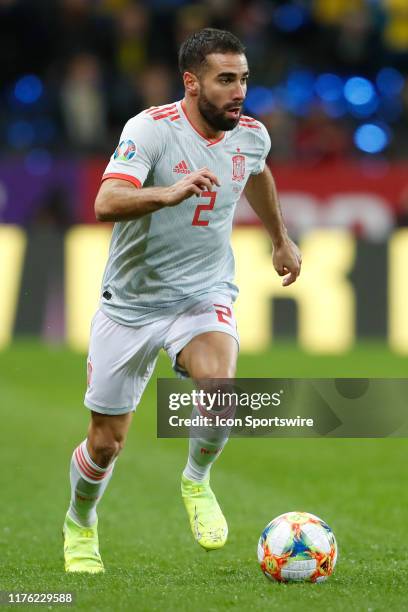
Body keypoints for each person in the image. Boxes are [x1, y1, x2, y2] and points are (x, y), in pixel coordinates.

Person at [63, 28, 301, 573]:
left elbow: (257, 175)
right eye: (225, 80)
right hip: (130, 304)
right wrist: (165, 192)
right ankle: (80, 523)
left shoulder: (251, 136)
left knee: (220, 389)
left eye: (243, 79)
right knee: (105, 444)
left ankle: (196, 481)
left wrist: (279, 239)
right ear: (191, 83)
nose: (238, 91)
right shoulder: (150, 130)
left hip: (202, 294)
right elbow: (105, 200)